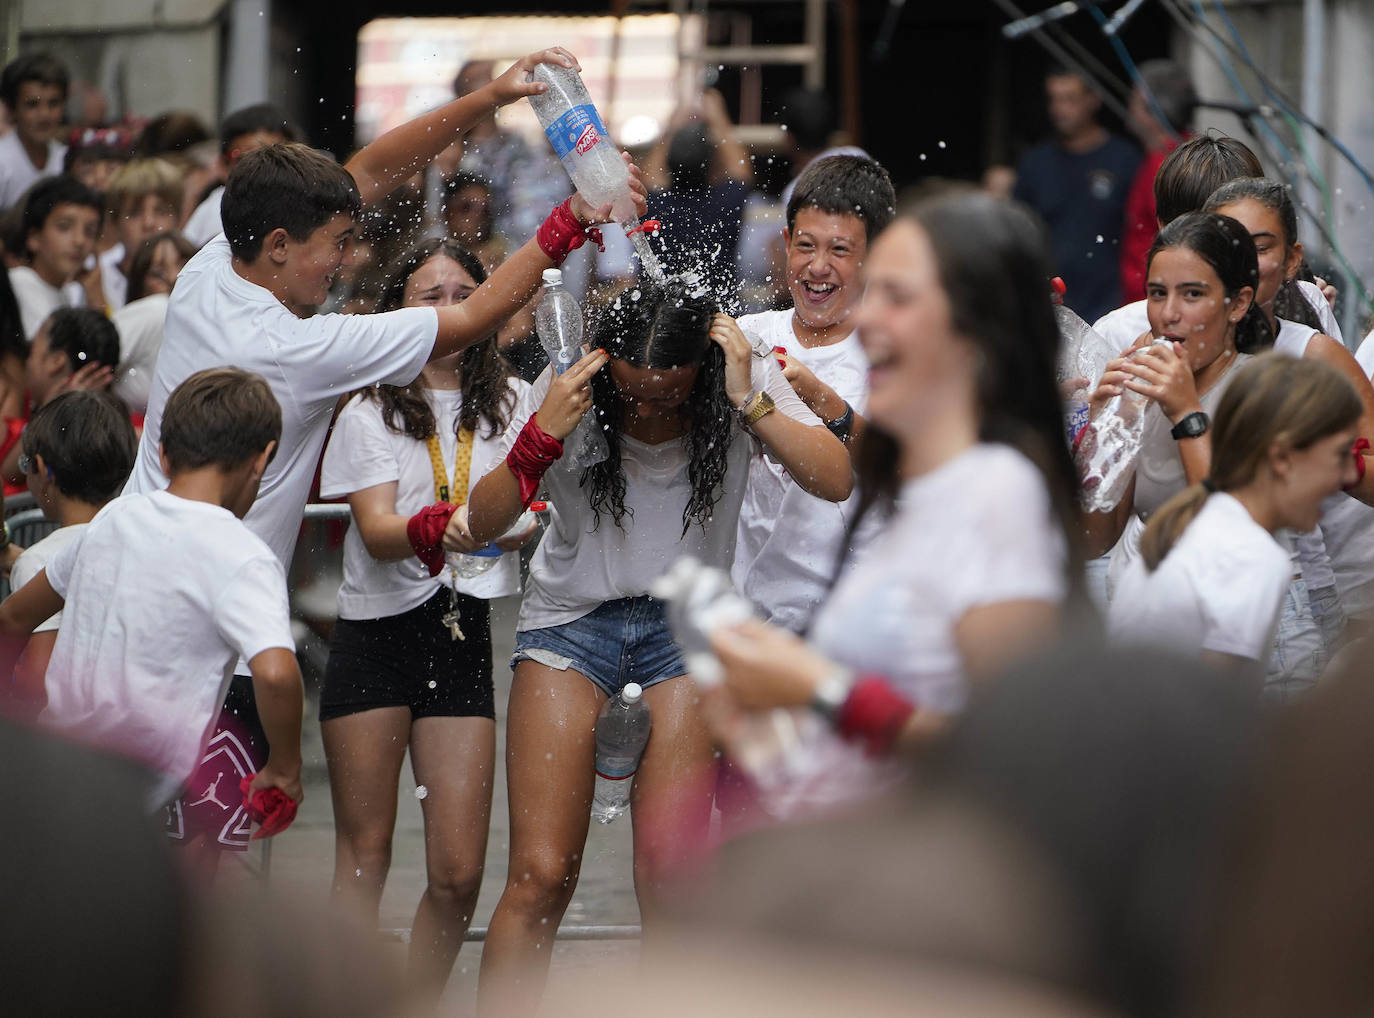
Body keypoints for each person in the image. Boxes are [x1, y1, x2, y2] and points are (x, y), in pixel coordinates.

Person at [123, 46, 646, 863]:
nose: (346, 261)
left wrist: (491, 99)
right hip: (211, 643)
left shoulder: (205, 271)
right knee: (188, 877)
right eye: (334, 245)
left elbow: (364, 169)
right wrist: (571, 222)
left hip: (138, 589)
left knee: (130, 858)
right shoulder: (297, 347)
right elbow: (471, 324)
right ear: (279, 244)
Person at [467, 276, 851, 1017]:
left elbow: (836, 478)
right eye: (631, 391)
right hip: (569, 628)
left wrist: (749, 399)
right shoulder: (573, 376)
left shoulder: (739, 379)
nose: (645, 407)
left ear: (699, 374)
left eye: (668, 396)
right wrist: (540, 434)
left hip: (686, 635)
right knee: (542, 875)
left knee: (669, 876)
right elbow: (481, 524)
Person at [707, 191, 1078, 811]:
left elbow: (1006, 745)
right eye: (876, 292)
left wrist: (819, 690)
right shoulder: (924, 468)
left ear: (973, 328)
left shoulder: (999, 488)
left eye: (898, 297)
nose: (870, 320)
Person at [317, 239, 531, 999]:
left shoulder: (514, 400)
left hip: (462, 628)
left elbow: (540, 513)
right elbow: (376, 533)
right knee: (363, 859)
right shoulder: (371, 406)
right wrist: (464, 523)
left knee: (459, 872)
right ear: (398, 312)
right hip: (375, 636)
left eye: (460, 292)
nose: (445, 309)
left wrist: (502, 522)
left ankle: (411, 1005)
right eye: (427, 295)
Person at [0, 368, 303, 829]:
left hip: (55, 766)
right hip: (132, 795)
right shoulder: (243, 556)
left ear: (161, 455)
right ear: (261, 460)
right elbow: (278, 674)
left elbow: (15, 615)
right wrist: (284, 766)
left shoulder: (116, 519)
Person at [1203, 178, 1374, 662]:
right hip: (1185, 594)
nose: (1244, 264)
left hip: (1294, 600)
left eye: (1260, 247)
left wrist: (1334, 462)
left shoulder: (1315, 354)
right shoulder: (1163, 349)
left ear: (1293, 260)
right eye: (1226, 244)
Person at [1110, 354, 1360, 678]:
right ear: (1282, 457)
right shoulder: (1251, 558)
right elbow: (1214, 713)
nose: (1351, 472)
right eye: (1341, 454)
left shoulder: (1195, 527)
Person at [732, 154, 896, 632]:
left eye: (840, 250)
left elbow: (905, 469)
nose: (817, 267)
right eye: (805, 246)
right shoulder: (747, 338)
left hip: (858, 622)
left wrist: (823, 400)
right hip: (751, 616)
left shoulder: (897, 353)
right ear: (784, 243)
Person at [1093, 135, 1343, 347]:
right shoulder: (1119, 334)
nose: (1217, 260)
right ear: (1164, 229)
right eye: (1198, 239)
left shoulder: (1305, 312)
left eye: (1252, 244)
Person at [5, 390, 137, 717]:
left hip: (64, 744)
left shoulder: (36, 561)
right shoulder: (132, 544)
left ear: (41, 470)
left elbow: (39, 680)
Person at [1014, 67, 1140, 323]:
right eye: (1054, 99)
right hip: (1049, 306)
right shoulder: (1036, 163)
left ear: (1093, 100)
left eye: (1069, 99)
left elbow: (1140, 231)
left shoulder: (1125, 160)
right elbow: (1019, 233)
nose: (1059, 109)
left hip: (1109, 305)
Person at [0, 307, 118, 494]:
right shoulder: (117, 423)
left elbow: (9, 474)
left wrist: (57, 409)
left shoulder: (89, 432)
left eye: (33, 351)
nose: (27, 361)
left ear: (57, 361)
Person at [1119, 60, 1195, 303]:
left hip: (1155, 302)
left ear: (1153, 108)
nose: (1129, 107)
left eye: (1136, 99)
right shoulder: (1164, 156)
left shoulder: (1168, 163)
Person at [181, 103, 298, 248]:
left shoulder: (308, 205)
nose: (259, 169)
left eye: (274, 158)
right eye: (243, 158)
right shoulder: (219, 209)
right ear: (223, 165)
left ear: (296, 161)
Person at [111, 231, 197, 415]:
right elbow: (87, 368)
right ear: (139, 287)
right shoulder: (156, 308)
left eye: (185, 266)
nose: (175, 278)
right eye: (158, 273)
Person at [8, 175, 102, 337]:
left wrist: (96, 300)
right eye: (64, 227)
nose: (79, 241)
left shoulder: (68, 293)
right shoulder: (16, 284)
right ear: (34, 238)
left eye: (89, 232)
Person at [97, 157, 183, 311]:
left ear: (178, 219)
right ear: (115, 223)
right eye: (134, 214)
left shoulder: (195, 271)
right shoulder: (96, 279)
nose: (148, 223)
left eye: (161, 212)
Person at [0, 53, 68, 210]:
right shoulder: (2, 160)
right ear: (11, 109)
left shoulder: (65, 158)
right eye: (32, 104)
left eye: (53, 103)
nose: (44, 115)